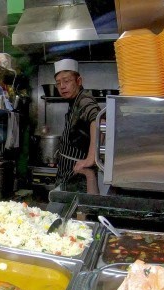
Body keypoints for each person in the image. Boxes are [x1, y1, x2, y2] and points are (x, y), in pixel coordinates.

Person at [53, 59, 101, 192]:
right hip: (69, 174)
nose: (62, 86)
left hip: (77, 176)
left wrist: (91, 159)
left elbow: (98, 121)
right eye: (58, 83)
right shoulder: (73, 101)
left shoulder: (84, 99)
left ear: (79, 81)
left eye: (67, 81)